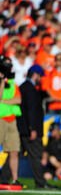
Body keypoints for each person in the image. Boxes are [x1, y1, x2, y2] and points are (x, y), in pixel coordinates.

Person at [3, 64, 58, 189]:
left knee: (14, 154)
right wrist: (32, 128)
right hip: (30, 130)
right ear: (35, 75)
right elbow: (31, 111)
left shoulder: (23, 87)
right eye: (40, 76)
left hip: (22, 128)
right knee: (35, 156)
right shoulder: (30, 89)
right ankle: (41, 182)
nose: (40, 79)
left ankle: (3, 179)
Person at [0, 55, 22, 187]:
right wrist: (2, 80)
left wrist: (3, 102)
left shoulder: (13, 82)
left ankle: (15, 179)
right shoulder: (3, 81)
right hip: (1, 118)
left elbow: (18, 100)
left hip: (12, 120)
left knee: (14, 150)